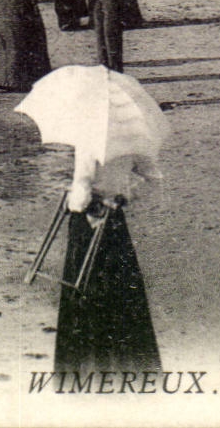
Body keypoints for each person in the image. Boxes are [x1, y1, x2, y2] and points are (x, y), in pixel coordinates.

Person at [54, 151, 160, 375]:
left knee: (82, 286)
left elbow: (82, 187)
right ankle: (125, 363)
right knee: (119, 289)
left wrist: (73, 200)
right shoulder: (133, 141)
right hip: (113, 217)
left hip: (88, 218)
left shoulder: (89, 137)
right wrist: (125, 196)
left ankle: (83, 366)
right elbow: (154, 179)